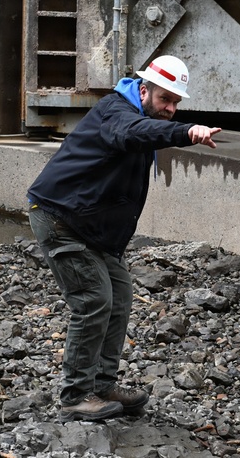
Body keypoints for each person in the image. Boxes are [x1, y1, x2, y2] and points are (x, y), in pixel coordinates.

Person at [27, 56, 221, 420]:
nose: (171, 109)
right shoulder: (115, 112)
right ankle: (74, 397)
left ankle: (102, 386)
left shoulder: (141, 116)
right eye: (166, 100)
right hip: (60, 219)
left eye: (177, 103)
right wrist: (186, 131)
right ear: (144, 90)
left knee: (119, 299)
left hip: (94, 230)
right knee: (94, 301)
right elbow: (131, 134)